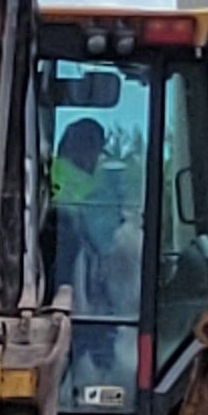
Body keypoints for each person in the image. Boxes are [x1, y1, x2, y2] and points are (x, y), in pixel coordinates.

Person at [48, 115, 141, 391]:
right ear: (83, 149)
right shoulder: (82, 186)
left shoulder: (52, 173)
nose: (95, 159)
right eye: (95, 151)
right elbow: (103, 238)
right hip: (72, 282)